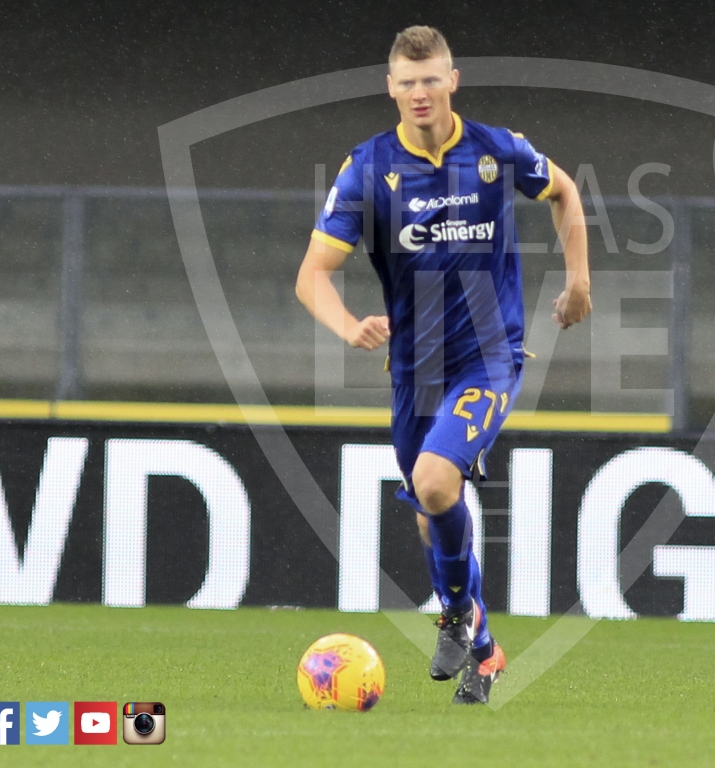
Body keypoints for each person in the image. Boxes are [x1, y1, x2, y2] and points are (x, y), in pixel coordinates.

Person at [296, 25, 591, 704]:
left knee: (433, 481)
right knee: (431, 510)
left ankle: (456, 615)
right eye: (407, 82)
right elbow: (312, 275)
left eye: (431, 79)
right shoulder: (367, 168)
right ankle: (484, 652)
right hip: (415, 369)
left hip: (490, 356)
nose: (420, 92)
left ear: (453, 80)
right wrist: (349, 326)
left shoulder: (496, 149)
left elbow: (565, 192)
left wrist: (579, 279)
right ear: (391, 88)